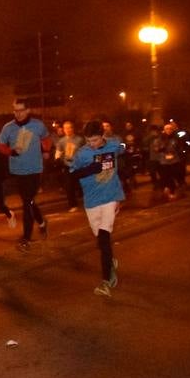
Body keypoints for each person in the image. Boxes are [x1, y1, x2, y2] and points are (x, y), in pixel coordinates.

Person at [69, 120, 124, 297]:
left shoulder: (114, 145)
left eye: (95, 140)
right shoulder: (82, 154)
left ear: (102, 136)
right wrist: (90, 169)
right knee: (101, 241)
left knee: (104, 236)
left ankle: (105, 281)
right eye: (88, 141)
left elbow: (123, 148)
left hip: (111, 196)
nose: (92, 144)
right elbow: (72, 175)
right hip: (92, 201)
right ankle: (109, 261)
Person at [0, 98, 51, 250]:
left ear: (28, 110)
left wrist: (46, 150)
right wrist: (10, 151)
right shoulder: (8, 127)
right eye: (15, 110)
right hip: (17, 170)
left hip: (34, 169)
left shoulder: (38, 125)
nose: (18, 113)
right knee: (29, 201)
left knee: (27, 202)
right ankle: (41, 222)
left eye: (21, 110)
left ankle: (26, 238)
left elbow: (46, 138)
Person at [53, 121, 82, 210]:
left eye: (69, 128)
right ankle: (73, 204)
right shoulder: (61, 141)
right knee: (69, 186)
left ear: (73, 128)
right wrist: (57, 159)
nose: (68, 130)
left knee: (82, 184)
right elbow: (58, 152)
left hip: (78, 165)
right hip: (67, 165)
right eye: (66, 128)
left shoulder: (79, 140)